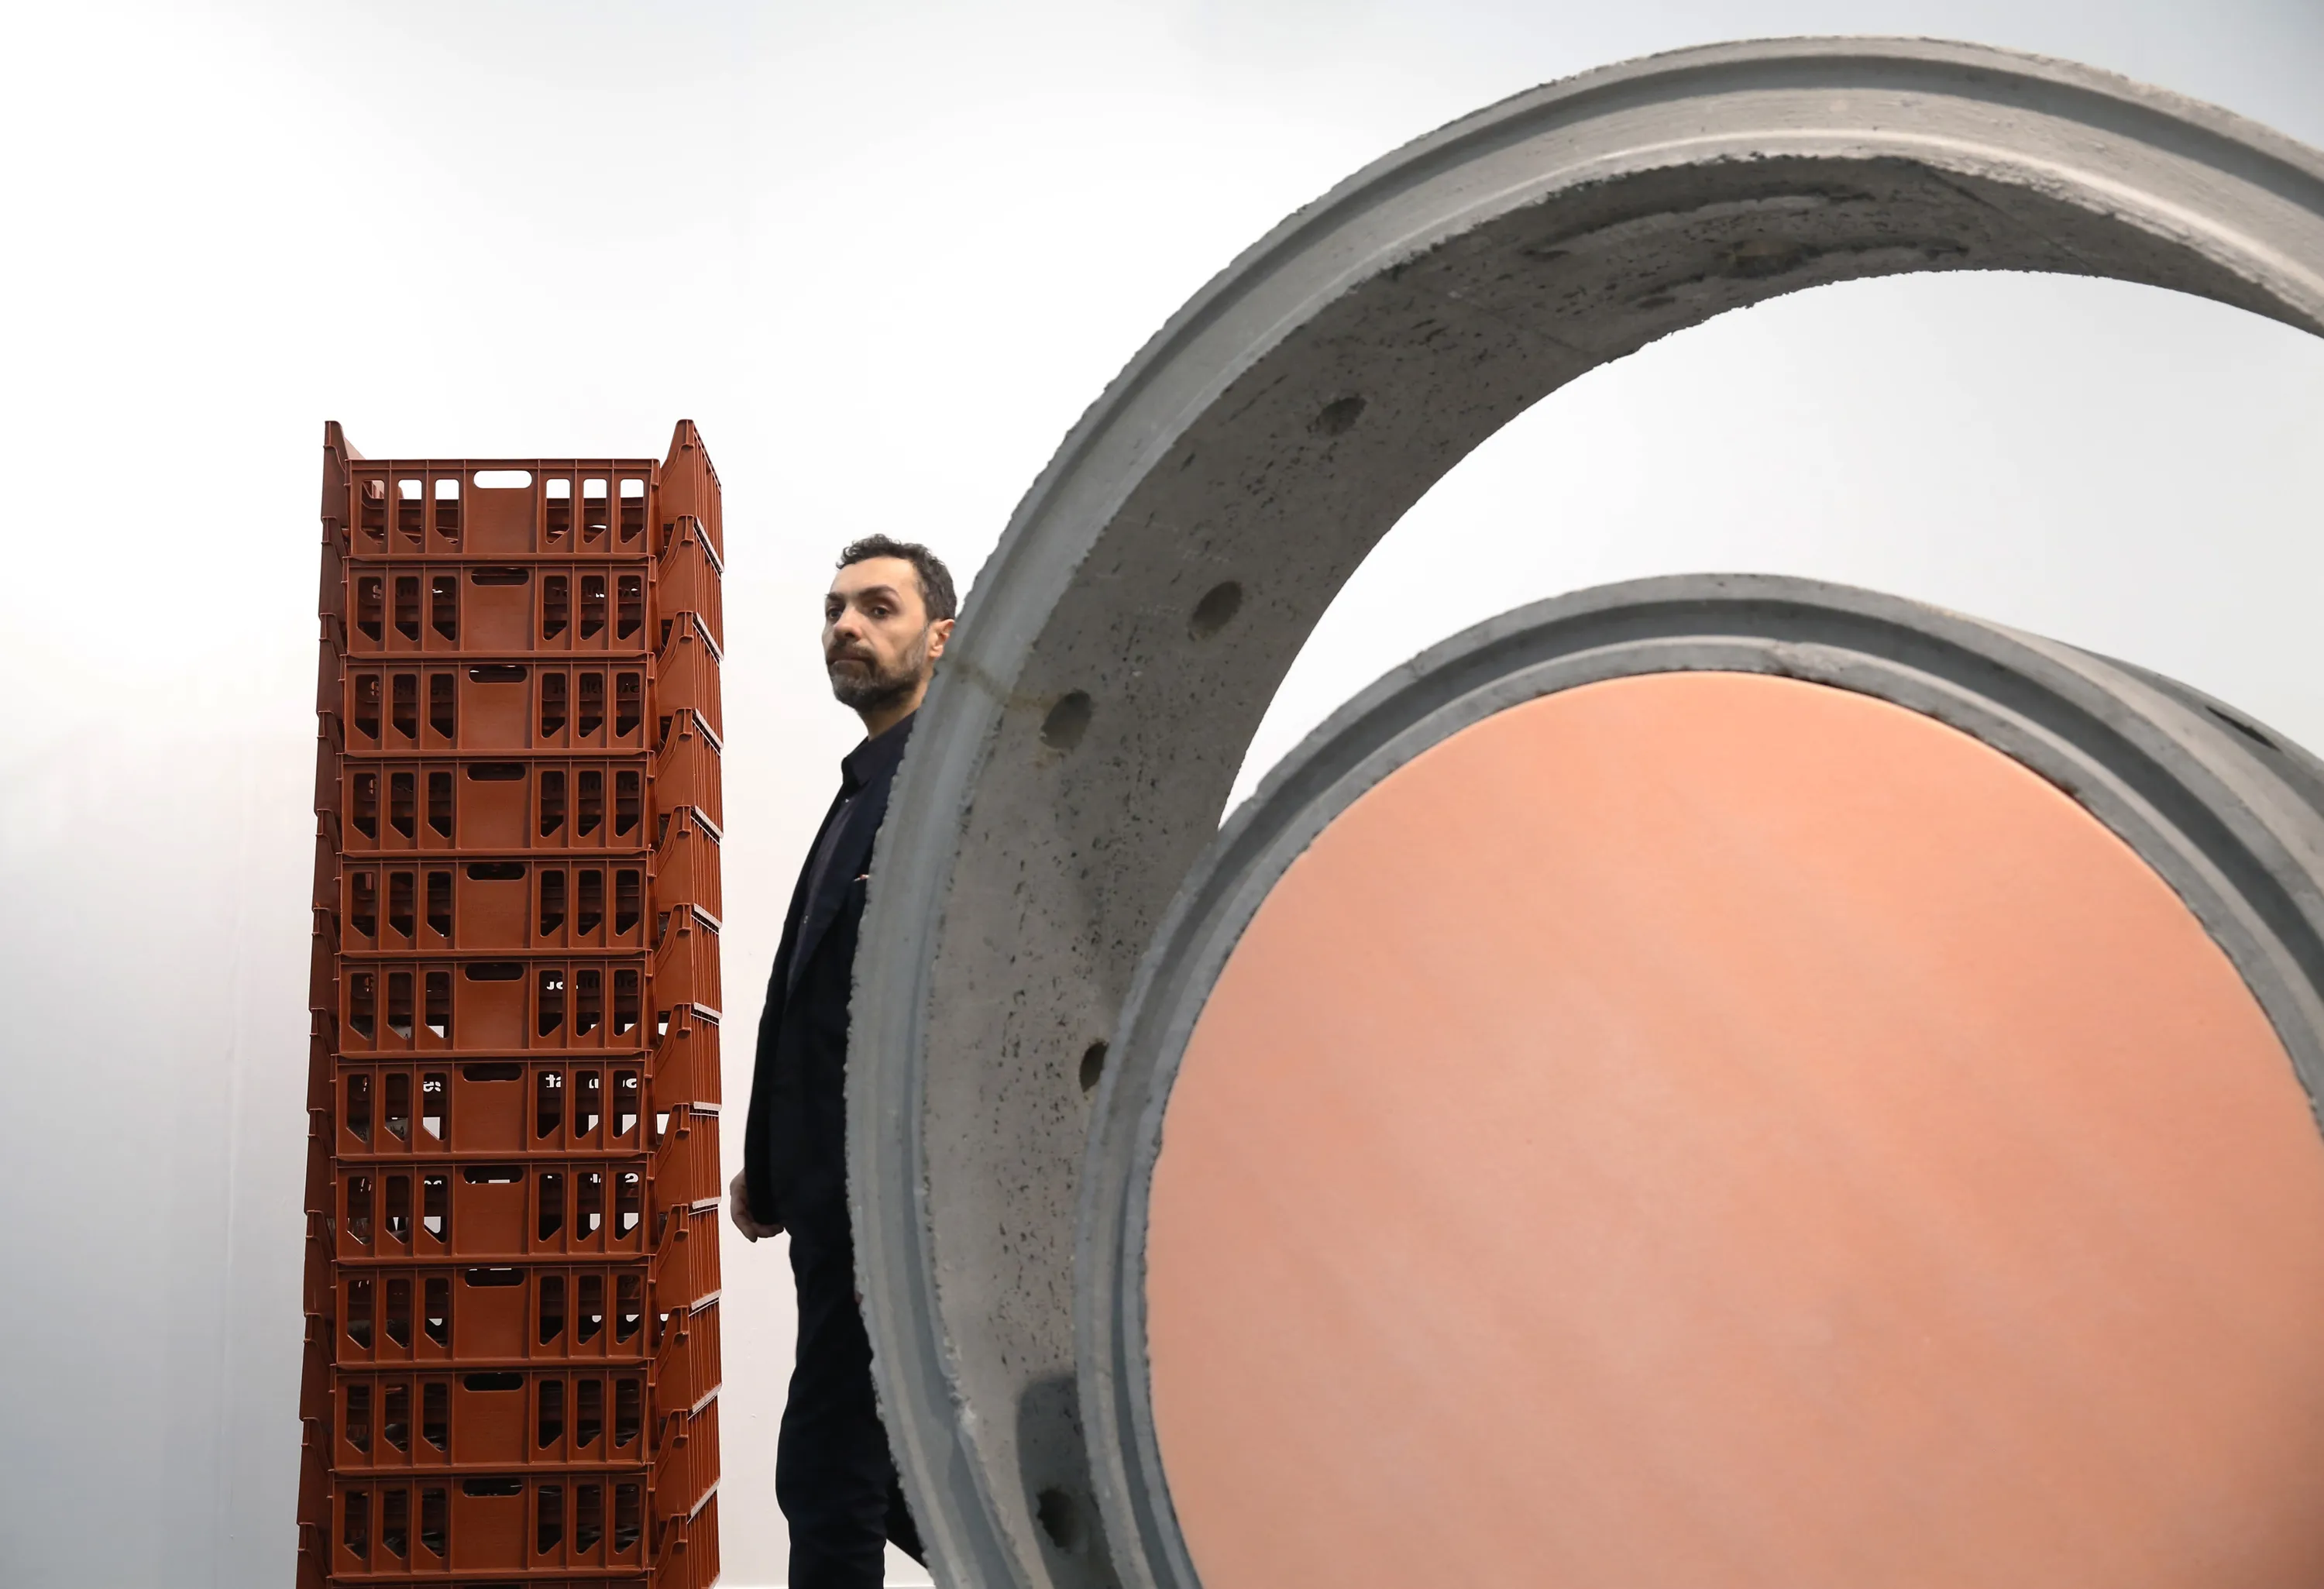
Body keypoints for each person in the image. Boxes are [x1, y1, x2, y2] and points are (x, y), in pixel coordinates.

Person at [730, 535, 956, 1587]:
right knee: (897, 1474)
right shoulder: (866, 788)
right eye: (835, 610)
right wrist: (772, 1168)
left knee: (828, 1472)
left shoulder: (939, 795)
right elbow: (809, 1003)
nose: (847, 627)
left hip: (885, 1204)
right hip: (833, 1201)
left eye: (877, 607)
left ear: (942, 639)